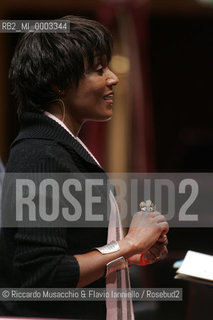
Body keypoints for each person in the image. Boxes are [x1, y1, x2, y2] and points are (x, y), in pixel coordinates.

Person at [0, 15, 168, 320]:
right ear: (57, 83)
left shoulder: (58, 147)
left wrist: (127, 254)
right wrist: (127, 243)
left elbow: (68, 256)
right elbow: (45, 276)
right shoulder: (41, 154)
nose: (114, 78)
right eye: (99, 70)